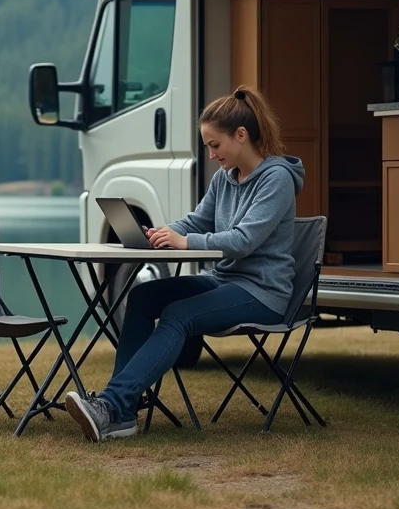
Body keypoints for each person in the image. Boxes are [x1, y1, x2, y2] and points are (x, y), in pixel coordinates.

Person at [65, 85, 305, 442]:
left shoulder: (277, 179)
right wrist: (162, 233)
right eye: (208, 146)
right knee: (145, 297)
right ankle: (123, 415)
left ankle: (113, 405)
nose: (211, 155)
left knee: (179, 315)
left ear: (241, 136)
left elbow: (243, 241)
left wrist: (185, 242)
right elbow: (195, 222)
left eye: (215, 145)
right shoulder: (225, 179)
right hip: (225, 281)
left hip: (263, 292)